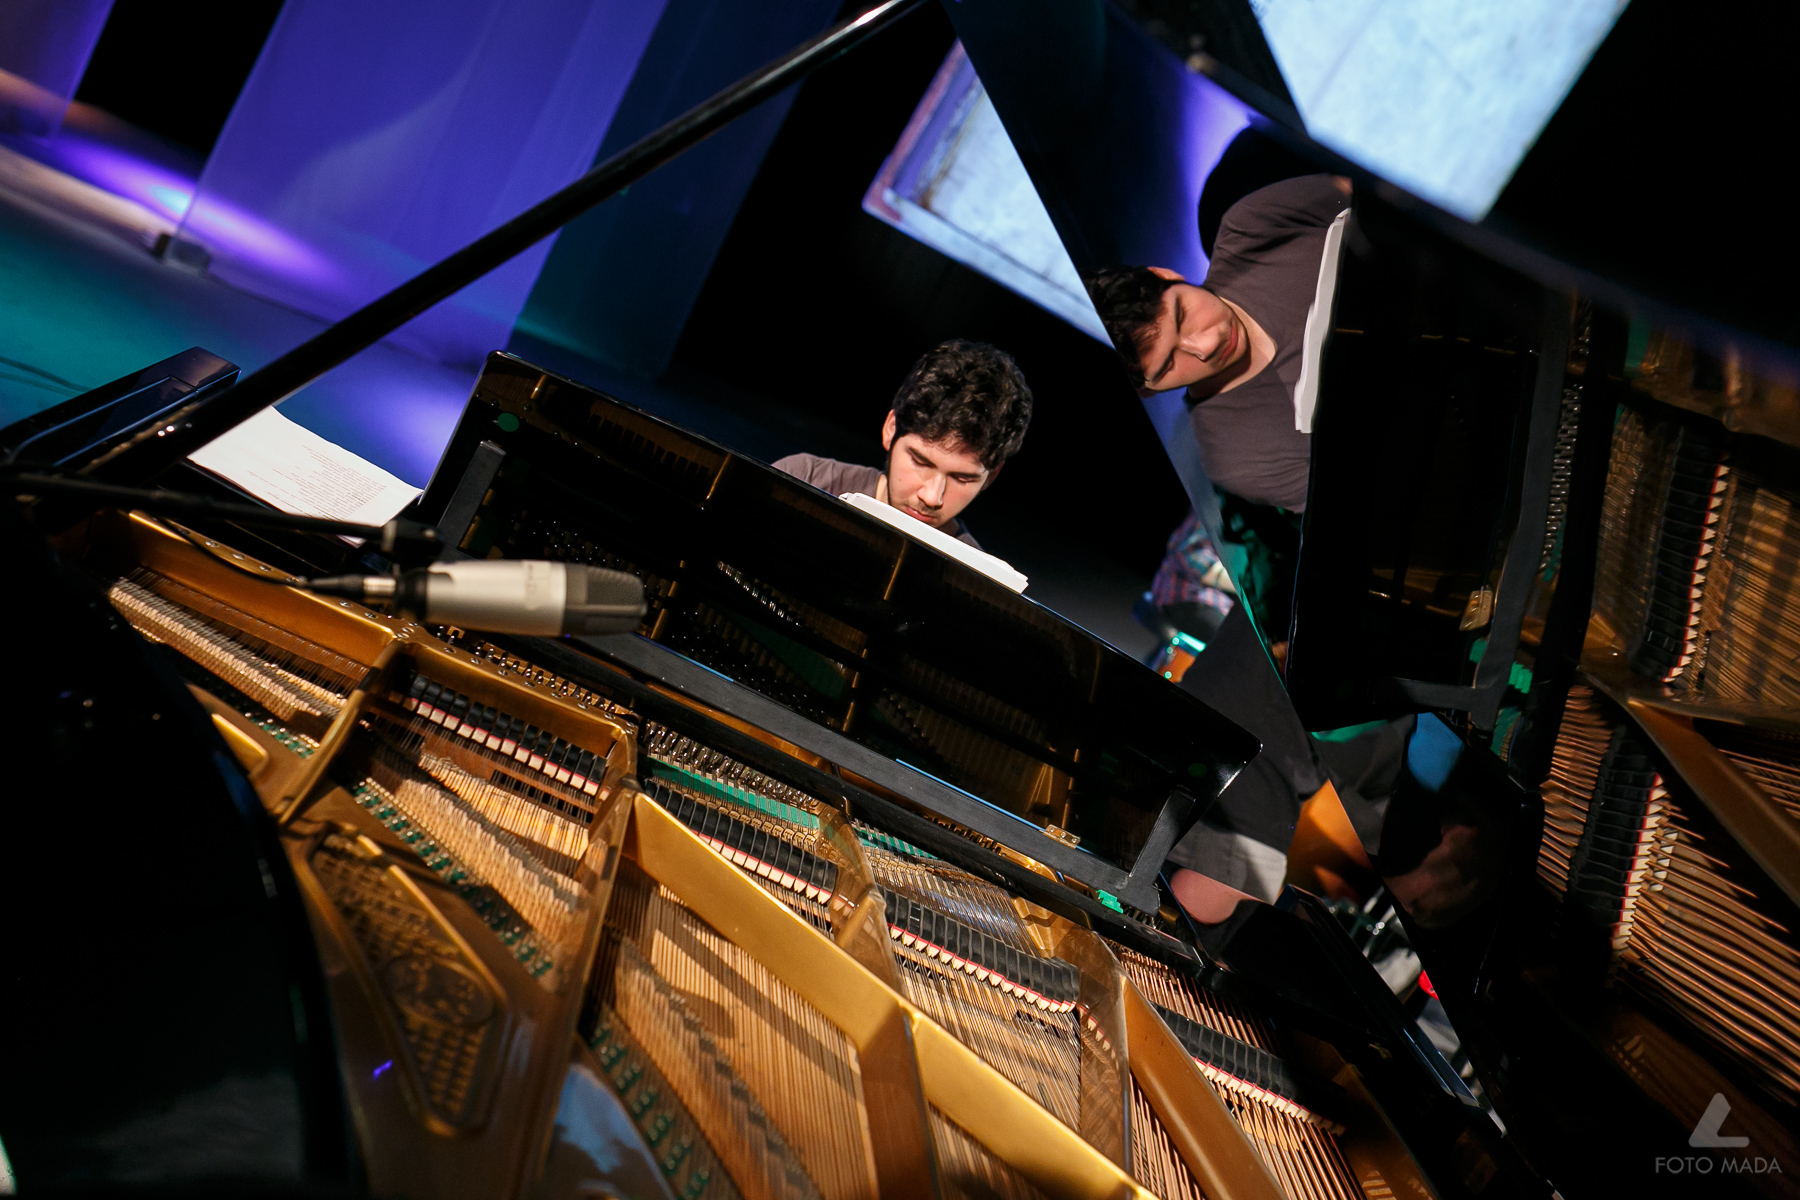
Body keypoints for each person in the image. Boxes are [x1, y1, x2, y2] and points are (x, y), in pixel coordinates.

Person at [1084, 174, 1351, 513]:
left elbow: (1385, 193)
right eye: (1168, 364)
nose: (1207, 345)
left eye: (1182, 314)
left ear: (1164, 275)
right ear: (1146, 390)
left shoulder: (1254, 225)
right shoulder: (1241, 458)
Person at [774, 340, 1032, 549]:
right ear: (891, 429)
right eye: (920, 461)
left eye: (962, 478)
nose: (931, 497)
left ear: (991, 476)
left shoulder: (978, 582)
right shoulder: (805, 479)